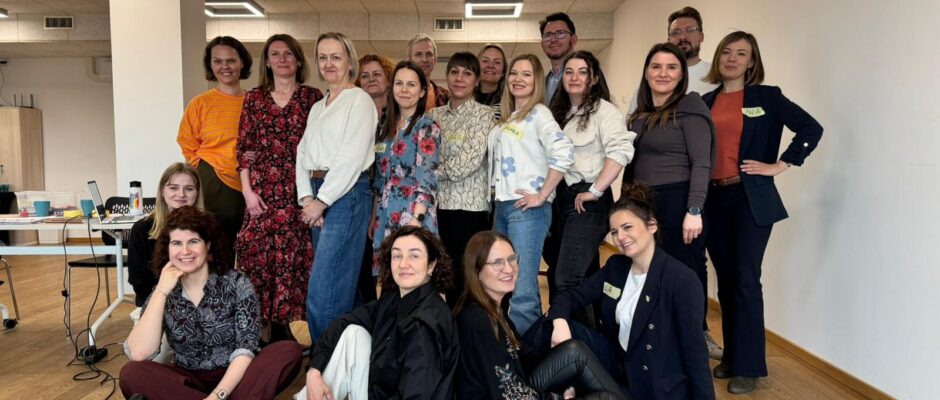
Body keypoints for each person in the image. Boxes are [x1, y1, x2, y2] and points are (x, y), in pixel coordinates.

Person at [701, 31, 823, 394]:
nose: (732, 58)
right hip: (713, 200)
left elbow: (811, 128)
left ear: (752, 62)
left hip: (749, 199)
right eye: (727, 52)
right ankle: (732, 357)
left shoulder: (766, 98)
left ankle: (750, 366)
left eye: (741, 53)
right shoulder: (705, 101)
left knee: (745, 278)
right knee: (725, 282)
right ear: (718, 57)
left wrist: (781, 164)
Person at [547, 184, 715, 400]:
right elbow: (570, 295)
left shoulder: (681, 280)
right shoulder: (616, 267)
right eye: (614, 232)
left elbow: (695, 353)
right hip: (618, 368)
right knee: (550, 327)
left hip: (652, 386)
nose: (620, 237)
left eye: (627, 227)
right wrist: (560, 322)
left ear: (652, 226)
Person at [121, 206, 303, 400]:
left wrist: (218, 395)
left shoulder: (237, 283)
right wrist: (161, 291)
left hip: (237, 375)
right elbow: (139, 353)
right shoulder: (163, 290)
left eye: (193, 241)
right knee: (131, 373)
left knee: (288, 351)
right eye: (176, 243)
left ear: (208, 246)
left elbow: (246, 348)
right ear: (168, 249)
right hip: (187, 379)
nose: (185, 251)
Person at [454, 231, 627, 399]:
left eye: (512, 259)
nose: (509, 268)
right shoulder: (479, 321)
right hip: (511, 395)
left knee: (574, 350)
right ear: (477, 270)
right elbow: (510, 393)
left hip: (521, 383)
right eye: (497, 263)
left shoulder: (493, 309)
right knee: (605, 396)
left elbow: (524, 356)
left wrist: (567, 380)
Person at [625, 42, 717, 360]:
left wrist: (694, 209)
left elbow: (702, 163)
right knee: (650, 272)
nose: (663, 73)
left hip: (679, 201)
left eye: (671, 67)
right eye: (656, 66)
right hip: (644, 203)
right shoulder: (640, 116)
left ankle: (695, 337)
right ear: (646, 72)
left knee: (685, 272)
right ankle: (659, 340)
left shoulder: (691, 108)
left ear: (681, 74)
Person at [301, 226, 459, 400]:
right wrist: (314, 370)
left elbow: (415, 395)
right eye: (397, 256)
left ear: (431, 265)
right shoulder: (394, 299)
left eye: (414, 256)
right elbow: (345, 322)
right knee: (353, 333)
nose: (403, 264)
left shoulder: (425, 325)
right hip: (377, 392)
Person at [236, 33, 320, 342]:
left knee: (294, 264)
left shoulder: (313, 98)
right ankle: (259, 336)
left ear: (298, 60)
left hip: (300, 193)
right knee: (259, 261)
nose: (282, 59)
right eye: (275, 54)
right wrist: (247, 192)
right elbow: (244, 149)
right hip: (262, 195)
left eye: (288, 53)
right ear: (267, 62)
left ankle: (286, 334)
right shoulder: (254, 99)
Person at [296, 32, 377, 341]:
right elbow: (302, 153)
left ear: (349, 62)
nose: (329, 63)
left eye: (336, 57)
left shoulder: (359, 101)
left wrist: (323, 201)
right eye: (323, 57)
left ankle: (325, 357)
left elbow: (350, 158)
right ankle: (354, 353)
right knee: (342, 285)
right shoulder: (319, 106)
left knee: (324, 289)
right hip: (319, 191)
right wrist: (307, 198)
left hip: (346, 193)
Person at [544, 51, 635, 317]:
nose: (574, 77)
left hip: (587, 201)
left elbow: (621, 151)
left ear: (594, 78)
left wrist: (595, 190)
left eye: (582, 72)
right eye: (569, 72)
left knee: (568, 279)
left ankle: (577, 340)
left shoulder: (605, 111)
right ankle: (579, 336)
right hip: (561, 200)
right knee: (574, 276)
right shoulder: (557, 114)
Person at [490, 54, 573, 335]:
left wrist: (542, 194)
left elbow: (563, 152)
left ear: (537, 80)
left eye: (526, 74)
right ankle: (515, 343)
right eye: (514, 73)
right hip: (502, 207)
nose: (518, 79)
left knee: (522, 289)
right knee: (502, 281)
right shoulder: (508, 119)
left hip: (527, 211)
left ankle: (528, 356)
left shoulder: (539, 114)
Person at [427, 52, 496, 307]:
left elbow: (467, 163)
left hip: (469, 210)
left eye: (467, 73)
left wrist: (431, 172)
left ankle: (467, 327)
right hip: (437, 208)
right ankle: (446, 326)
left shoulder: (483, 115)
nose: (459, 78)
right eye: (454, 72)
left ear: (476, 81)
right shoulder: (433, 116)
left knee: (467, 278)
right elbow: (422, 156)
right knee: (441, 275)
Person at [177, 36, 252, 248]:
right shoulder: (200, 103)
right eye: (217, 61)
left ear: (242, 62)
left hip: (253, 180)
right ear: (210, 65)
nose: (224, 67)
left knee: (252, 245)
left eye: (231, 60)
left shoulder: (256, 101)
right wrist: (204, 170)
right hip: (215, 179)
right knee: (219, 244)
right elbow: (187, 143)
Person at [371, 61, 441, 272]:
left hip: (413, 213)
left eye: (411, 84)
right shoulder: (385, 127)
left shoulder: (426, 127)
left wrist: (416, 220)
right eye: (399, 83)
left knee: (412, 275)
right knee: (387, 278)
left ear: (422, 91)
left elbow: (428, 179)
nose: (404, 89)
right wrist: (374, 217)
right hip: (385, 213)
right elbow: (380, 179)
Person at [128, 163, 203, 310]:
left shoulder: (209, 227)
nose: (181, 194)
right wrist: (158, 304)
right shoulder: (142, 229)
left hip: (200, 305)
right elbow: (138, 280)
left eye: (189, 189)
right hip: (155, 303)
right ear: (162, 191)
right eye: (173, 188)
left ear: (197, 193)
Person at [355, 53, 396, 303]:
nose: (371, 79)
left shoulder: (399, 115)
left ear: (388, 79)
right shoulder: (354, 115)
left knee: (388, 264)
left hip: (390, 200)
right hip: (358, 195)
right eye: (365, 75)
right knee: (360, 266)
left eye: (377, 74)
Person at [628, 7, 718, 113]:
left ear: (701, 36)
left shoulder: (716, 75)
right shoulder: (654, 80)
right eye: (676, 32)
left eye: (690, 30)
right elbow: (632, 121)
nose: (683, 37)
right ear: (669, 40)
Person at [539, 12, 577, 105]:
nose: (553, 40)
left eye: (560, 33)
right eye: (548, 35)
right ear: (542, 45)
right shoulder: (541, 84)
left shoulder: (588, 75)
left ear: (574, 40)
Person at [407, 34, 450, 111]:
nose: (424, 59)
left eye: (429, 54)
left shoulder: (446, 97)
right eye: (418, 54)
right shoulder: (398, 94)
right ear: (410, 60)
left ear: (435, 60)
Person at [475, 43, 507, 119]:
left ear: (503, 72)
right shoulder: (465, 98)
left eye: (497, 62)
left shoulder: (510, 102)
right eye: (485, 61)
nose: (490, 66)